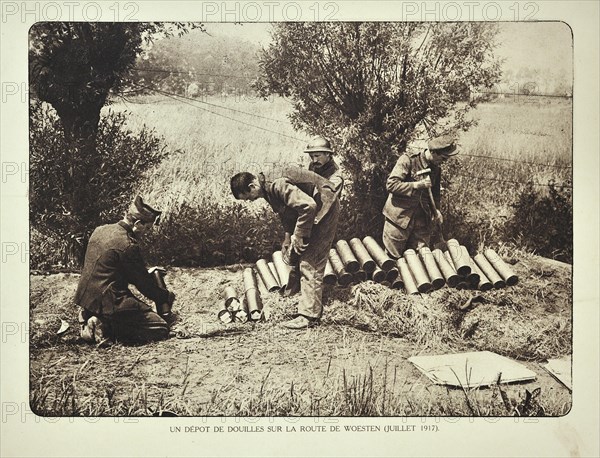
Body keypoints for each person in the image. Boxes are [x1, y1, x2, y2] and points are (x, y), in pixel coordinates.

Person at [230, 166, 340, 329]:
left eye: (248, 198)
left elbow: (307, 206)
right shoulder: (266, 189)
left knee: (311, 261)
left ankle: (309, 315)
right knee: (296, 253)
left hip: (324, 207)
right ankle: (293, 297)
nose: (250, 201)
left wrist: (300, 235)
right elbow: (286, 211)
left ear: (252, 186)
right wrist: (288, 237)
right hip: (313, 208)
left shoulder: (276, 184)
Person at [75, 196, 175, 345]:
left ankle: (90, 316)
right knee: (160, 328)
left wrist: (144, 271)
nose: (146, 233)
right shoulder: (128, 245)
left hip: (87, 298)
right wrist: (165, 296)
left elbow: (109, 266)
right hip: (110, 301)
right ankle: (105, 326)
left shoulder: (100, 230)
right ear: (138, 224)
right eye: (147, 228)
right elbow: (144, 286)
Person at [382, 135, 459, 258]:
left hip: (421, 220)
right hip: (399, 219)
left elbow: (435, 194)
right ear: (433, 152)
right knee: (393, 259)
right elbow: (391, 185)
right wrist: (416, 185)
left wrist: (437, 211)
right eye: (443, 158)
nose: (443, 162)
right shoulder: (408, 160)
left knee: (422, 259)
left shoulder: (436, 169)